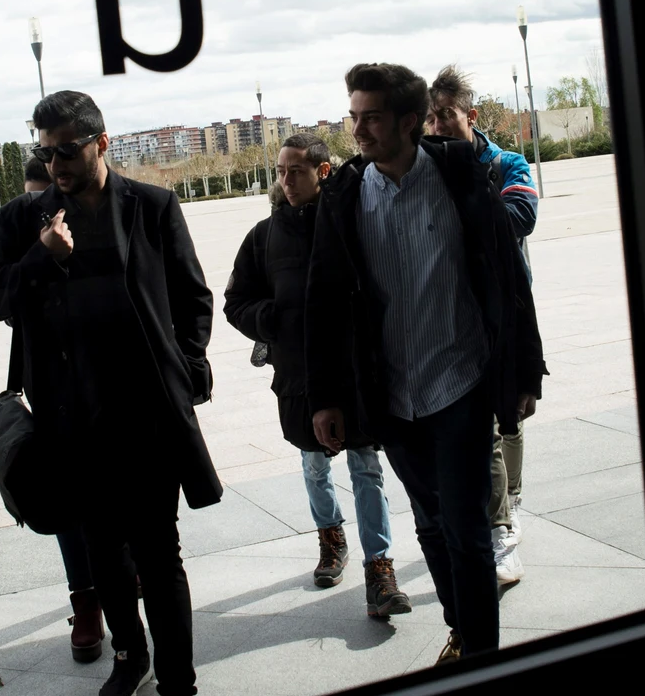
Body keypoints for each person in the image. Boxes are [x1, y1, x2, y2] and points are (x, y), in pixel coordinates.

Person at [0, 92, 219, 696]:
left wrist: (184, 372)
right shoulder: (24, 219)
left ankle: (179, 687)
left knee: (159, 555)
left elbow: (193, 298)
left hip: (146, 416)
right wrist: (38, 258)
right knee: (103, 552)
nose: (55, 163)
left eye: (66, 150)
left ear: (101, 143)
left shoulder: (153, 206)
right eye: (44, 151)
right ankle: (130, 654)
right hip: (69, 422)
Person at [306, 64, 546, 665]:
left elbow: (507, 278)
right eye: (353, 116)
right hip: (393, 397)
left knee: (466, 529)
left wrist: (523, 371)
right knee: (432, 525)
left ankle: (481, 654)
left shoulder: (462, 176)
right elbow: (326, 305)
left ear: (410, 122)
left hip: (459, 385)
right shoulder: (344, 196)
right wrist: (326, 398)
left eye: (371, 118)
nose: (357, 130)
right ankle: (462, 627)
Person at [223, 134, 412, 618]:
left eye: (296, 171)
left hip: (354, 374)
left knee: (367, 467)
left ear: (322, 172)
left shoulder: (351, 222)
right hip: (300, 377)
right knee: (314, 464)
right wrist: (274, 320)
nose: (286, 180)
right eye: (281, 171)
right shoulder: (264, 236)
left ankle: (380, 567)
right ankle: (332, 541)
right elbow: (235, 301)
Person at [427, 66, 539, 584]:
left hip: (504, 316)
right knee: (489, 430)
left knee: (511, 420)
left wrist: (470, 189)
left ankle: (509, 502)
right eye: (430, 117)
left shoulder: (505, 163)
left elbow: (520, 219)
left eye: (446, 115)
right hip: (451, 316)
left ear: (469, 115)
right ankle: (502, 524)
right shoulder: (426, 168)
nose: (437, 126)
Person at [7, 155, 111, 663]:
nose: (42, 204)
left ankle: (125, 582)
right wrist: (39, 256)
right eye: (33, 195)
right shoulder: (22, 224)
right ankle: (86, 601)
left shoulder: (105, 210)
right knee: (68, 503)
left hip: (113, 385)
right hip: (54, 392)